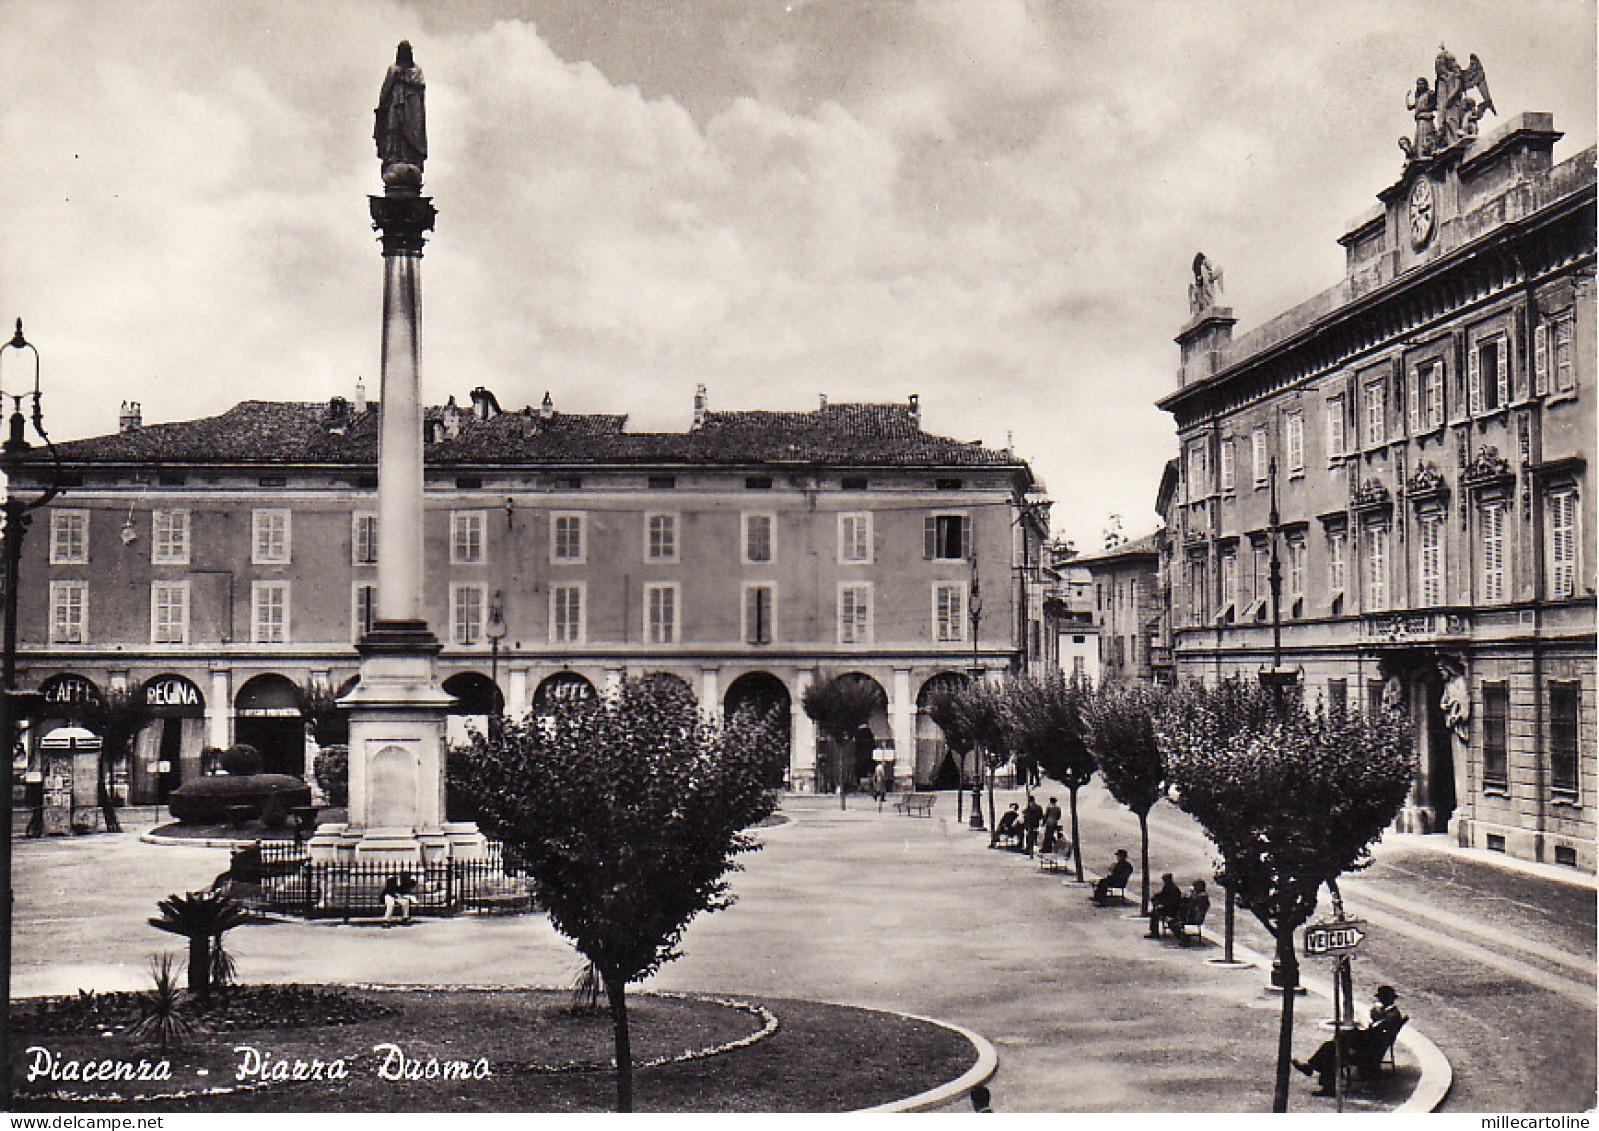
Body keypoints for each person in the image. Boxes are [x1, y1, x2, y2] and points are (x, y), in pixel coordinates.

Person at [1295, 986, 1405, 1095]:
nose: (1379, 1001)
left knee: (1331, 1048)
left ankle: (1325, 1083)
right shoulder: (1390, 1014)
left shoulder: (1390, 1016)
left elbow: (1373, 1036)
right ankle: (1312, 1068)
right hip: (1371, 1048)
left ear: (1387, 999)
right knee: (1335, 1043)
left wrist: (1356, 1035)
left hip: (1367, 1054)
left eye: (1381, 999)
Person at [1173, 879, 1210, 945]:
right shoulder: (1200, 895)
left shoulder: (1202, 896)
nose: (1195, 887)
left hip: (1194, 917)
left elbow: (1193, 903)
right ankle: (1183, 937)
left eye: (1196, 886)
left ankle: (1184, 939)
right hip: (1193, 915)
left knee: (1173, 922)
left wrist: (1191, 895)